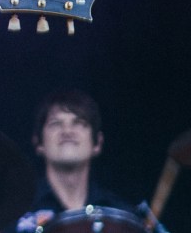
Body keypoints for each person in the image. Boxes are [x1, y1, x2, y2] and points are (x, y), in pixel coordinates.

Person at [9, 89, 140, 232]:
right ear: (38, 143)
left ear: (97, 143)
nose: (67, 131)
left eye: (78, 123)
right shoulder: (15, 212)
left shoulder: (120, 214)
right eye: (56, 123)